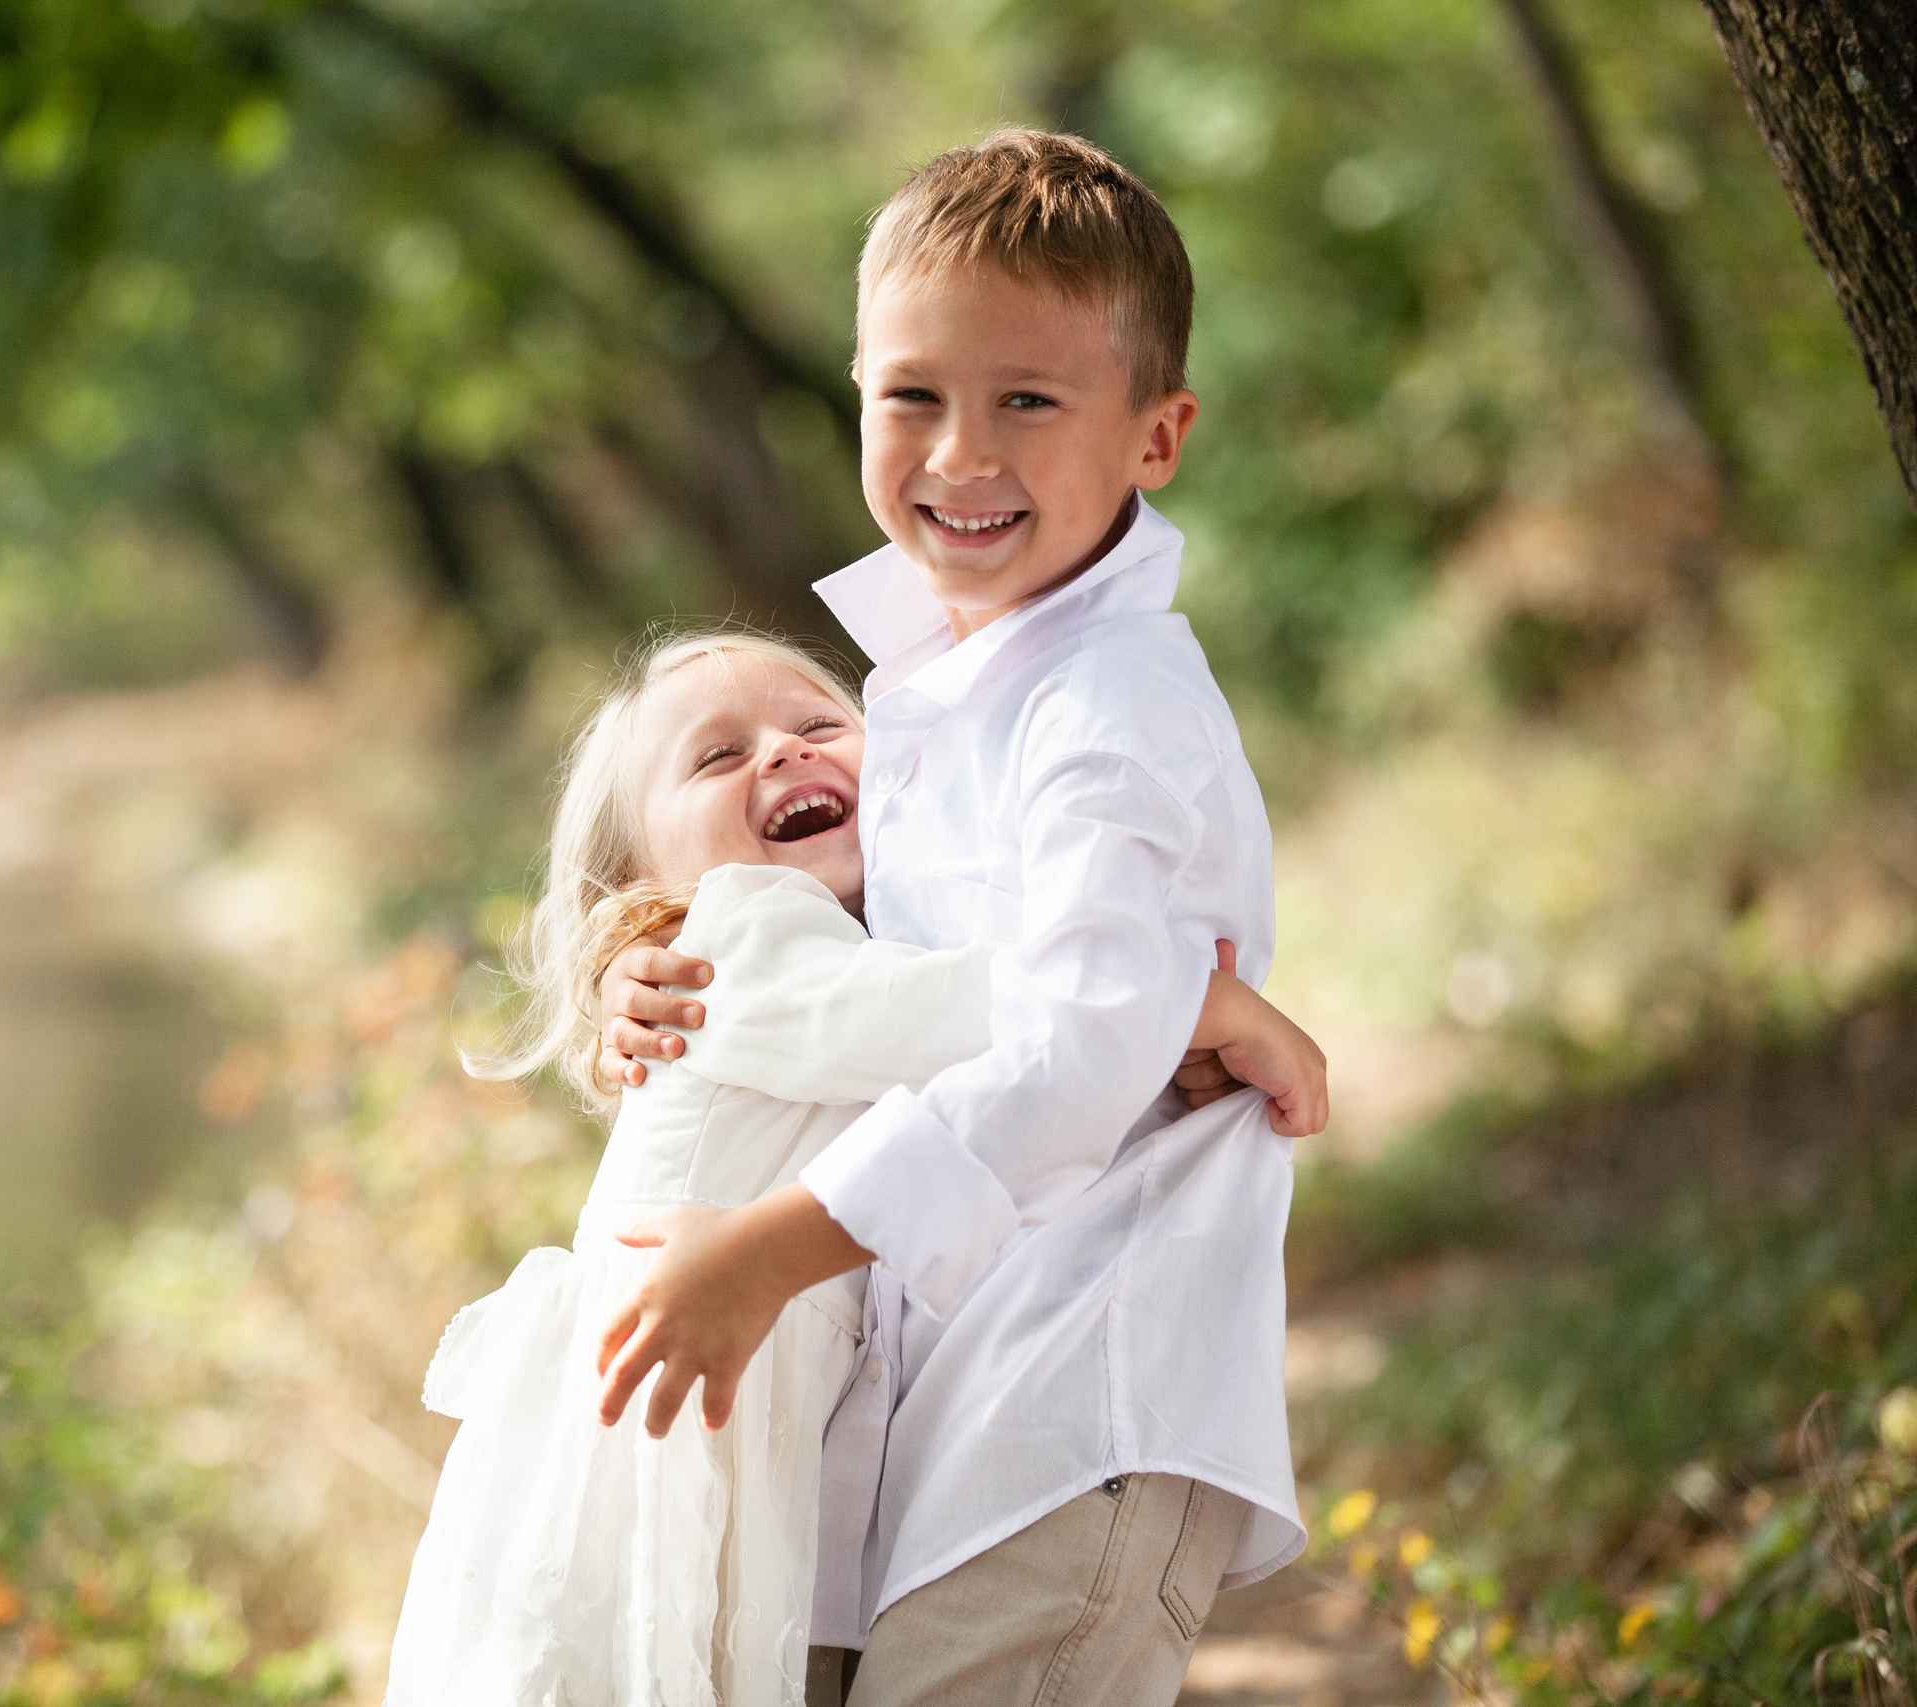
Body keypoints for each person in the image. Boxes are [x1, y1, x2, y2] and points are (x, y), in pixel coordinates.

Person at [591, 129, 1311, 1706]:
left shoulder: (1105, 708)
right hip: (942, 1400)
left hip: (1080, 1398)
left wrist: (766, 1252)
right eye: (913, 396)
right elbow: (858, 963)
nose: (959, 455)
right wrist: (660, 972)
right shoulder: (930, 676)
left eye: (1029, 402)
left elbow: (1073, 1043)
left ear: (1157, 434)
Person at [382, 629, 1325, 1706]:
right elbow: (921, 1014)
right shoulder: (730, 940)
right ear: (636, 877)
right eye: (715, 756)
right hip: (655, 1445)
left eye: (819, 724)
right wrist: (1179, 1002)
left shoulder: (823, 947)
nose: (780, 753)